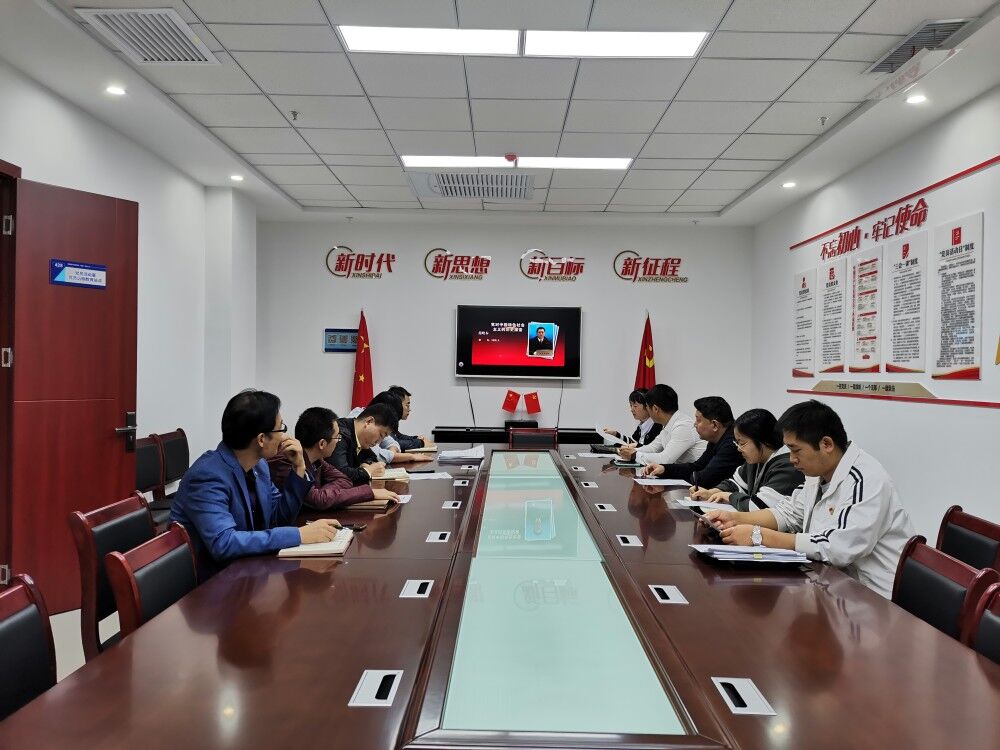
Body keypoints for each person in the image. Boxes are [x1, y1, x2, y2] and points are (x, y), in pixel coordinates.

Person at [705, 400, 915, 598]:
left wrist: (759, 535)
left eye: (796, 450)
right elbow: (789, 513)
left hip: (872, 596)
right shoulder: (817, 474)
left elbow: (838, 547)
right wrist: (735, 519)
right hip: (829, 583)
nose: (792, 459)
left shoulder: (865, 480)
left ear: (826, 444)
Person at [170, 389, 341, 578]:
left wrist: (299, 468)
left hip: (247, 572)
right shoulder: (207, 476)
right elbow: (224, 543)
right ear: (261, 439)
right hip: (213, 583)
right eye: (281, 428)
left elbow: (278, 518)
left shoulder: (259, 466)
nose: (285, 437)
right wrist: (299, 535)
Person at [269, 407, 399, 510]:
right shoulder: (287, 460)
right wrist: (370, 492)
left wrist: (325, 494)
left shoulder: (318, 460)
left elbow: (344, 480)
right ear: (322, 444)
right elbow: (319, 500)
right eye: (337, 437)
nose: (338, 441)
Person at [688, 408, 803, 511]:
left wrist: (730, 497)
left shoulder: (787, 466)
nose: (739, 448)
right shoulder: (756, 458)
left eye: (742, 443)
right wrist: (712, 492)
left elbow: (758, 507)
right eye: (737, 443)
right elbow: (734, 484)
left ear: (762, 440)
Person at [639, 396, 743, 488]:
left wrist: (693, 476)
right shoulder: (716, 439)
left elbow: (703, 479)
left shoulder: (732, 443)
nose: (694, 424)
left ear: (715, 425)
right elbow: (697, 467)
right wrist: (664, 469)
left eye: (698, 420)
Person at [618, 383, 704, 465]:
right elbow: (653, 448)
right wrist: (632, 451)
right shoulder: (668, 423)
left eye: (647, 407)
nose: (647, 410)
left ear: (655, 409)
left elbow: (665, 459)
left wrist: (634, 455)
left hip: (694, 475)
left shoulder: (683, 426)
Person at [330, 402, 397, 485]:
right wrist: (368, 471)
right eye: (381, 435)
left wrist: (367, 464)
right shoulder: (340, 434)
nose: (378, 442)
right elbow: (339, 474)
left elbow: (371, 457)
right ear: (369, 421)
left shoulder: (359, 437)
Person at [387, 385, 434, 449]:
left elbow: (399, 436)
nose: (409, 409)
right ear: (397, 404)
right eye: (407, 405)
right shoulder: (385, 421)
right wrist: (421, 442)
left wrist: (416, 438)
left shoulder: (393, 422)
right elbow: (396, 443)